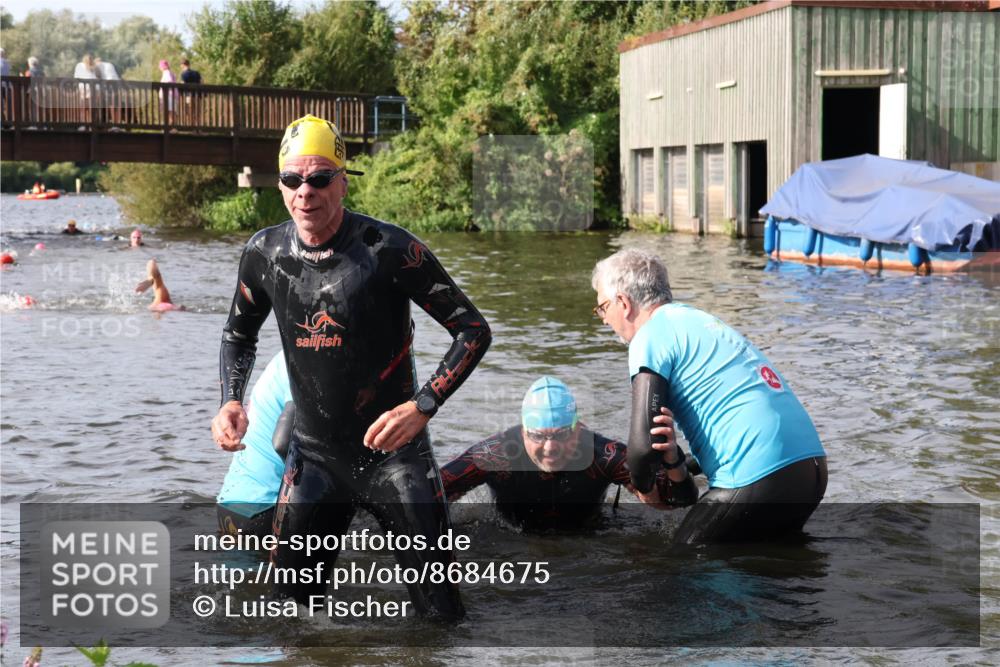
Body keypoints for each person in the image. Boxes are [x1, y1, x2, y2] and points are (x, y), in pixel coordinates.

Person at [210, 114, 491, 621]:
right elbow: (237, 334)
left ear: (342, 180)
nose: (305, 193)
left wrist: (423, 406)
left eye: (319, 179)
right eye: (293, 180)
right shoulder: (264, 254)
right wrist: (230, 399)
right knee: (291, 621)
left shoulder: (390, 252)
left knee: (443, 621)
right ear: (280, 184)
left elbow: (472, 330)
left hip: (396, 459)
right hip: (314, 460)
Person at [591, 248, 827, 544]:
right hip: (810, 468)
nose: (603, 319)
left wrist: (645, 488)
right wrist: (678, 466)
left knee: (684, 566)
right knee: (770, 570)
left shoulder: (648, 336)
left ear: (623, 303)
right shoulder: (698, 320)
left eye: (602, 307)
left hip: (758, 474)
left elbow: (642, 447)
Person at [440, 376, 696, 531]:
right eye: (538, 436)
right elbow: (430, 493)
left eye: (562, 434)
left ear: (578, 429)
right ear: (523, 432)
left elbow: (676, 503)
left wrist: (672, 458)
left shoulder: (602, 454)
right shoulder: (496, 455)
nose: (550, 448)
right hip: (511, 537)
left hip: (590, 535)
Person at [217, 352, 292, 538]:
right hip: (267, 510)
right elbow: (283, 443)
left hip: (231, 504)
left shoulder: (288, 352)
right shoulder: (309, 361)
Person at [73, 54, 99, 126]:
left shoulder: (79, 65)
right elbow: (97, 77)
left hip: (83, 87)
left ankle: (84, 124)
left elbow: (76, 77)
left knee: (83, 107)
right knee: (92, 108)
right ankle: (92, 124)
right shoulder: (95, 67)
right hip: (94, 88)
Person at [179, 58, 202, 126]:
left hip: (188, 95)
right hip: (198, 95)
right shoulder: (196, 73)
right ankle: (198, 127)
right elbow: (202, 82)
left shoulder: (184, 74)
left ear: (183, 65)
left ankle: (192, 127)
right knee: (197, 112)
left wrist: (180, 92)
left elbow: (182, 84)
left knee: (190, 111)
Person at [158, 60, 177, 126]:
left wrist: (164, 86)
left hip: (169, 95)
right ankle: (171, 126)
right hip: (171, 94)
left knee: (170, 111)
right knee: (170, 111)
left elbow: (169, 81)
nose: (160, 68)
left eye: (160, 66)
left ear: (163, 67)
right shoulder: (170, 72)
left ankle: (171, 127)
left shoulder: (166, 72)